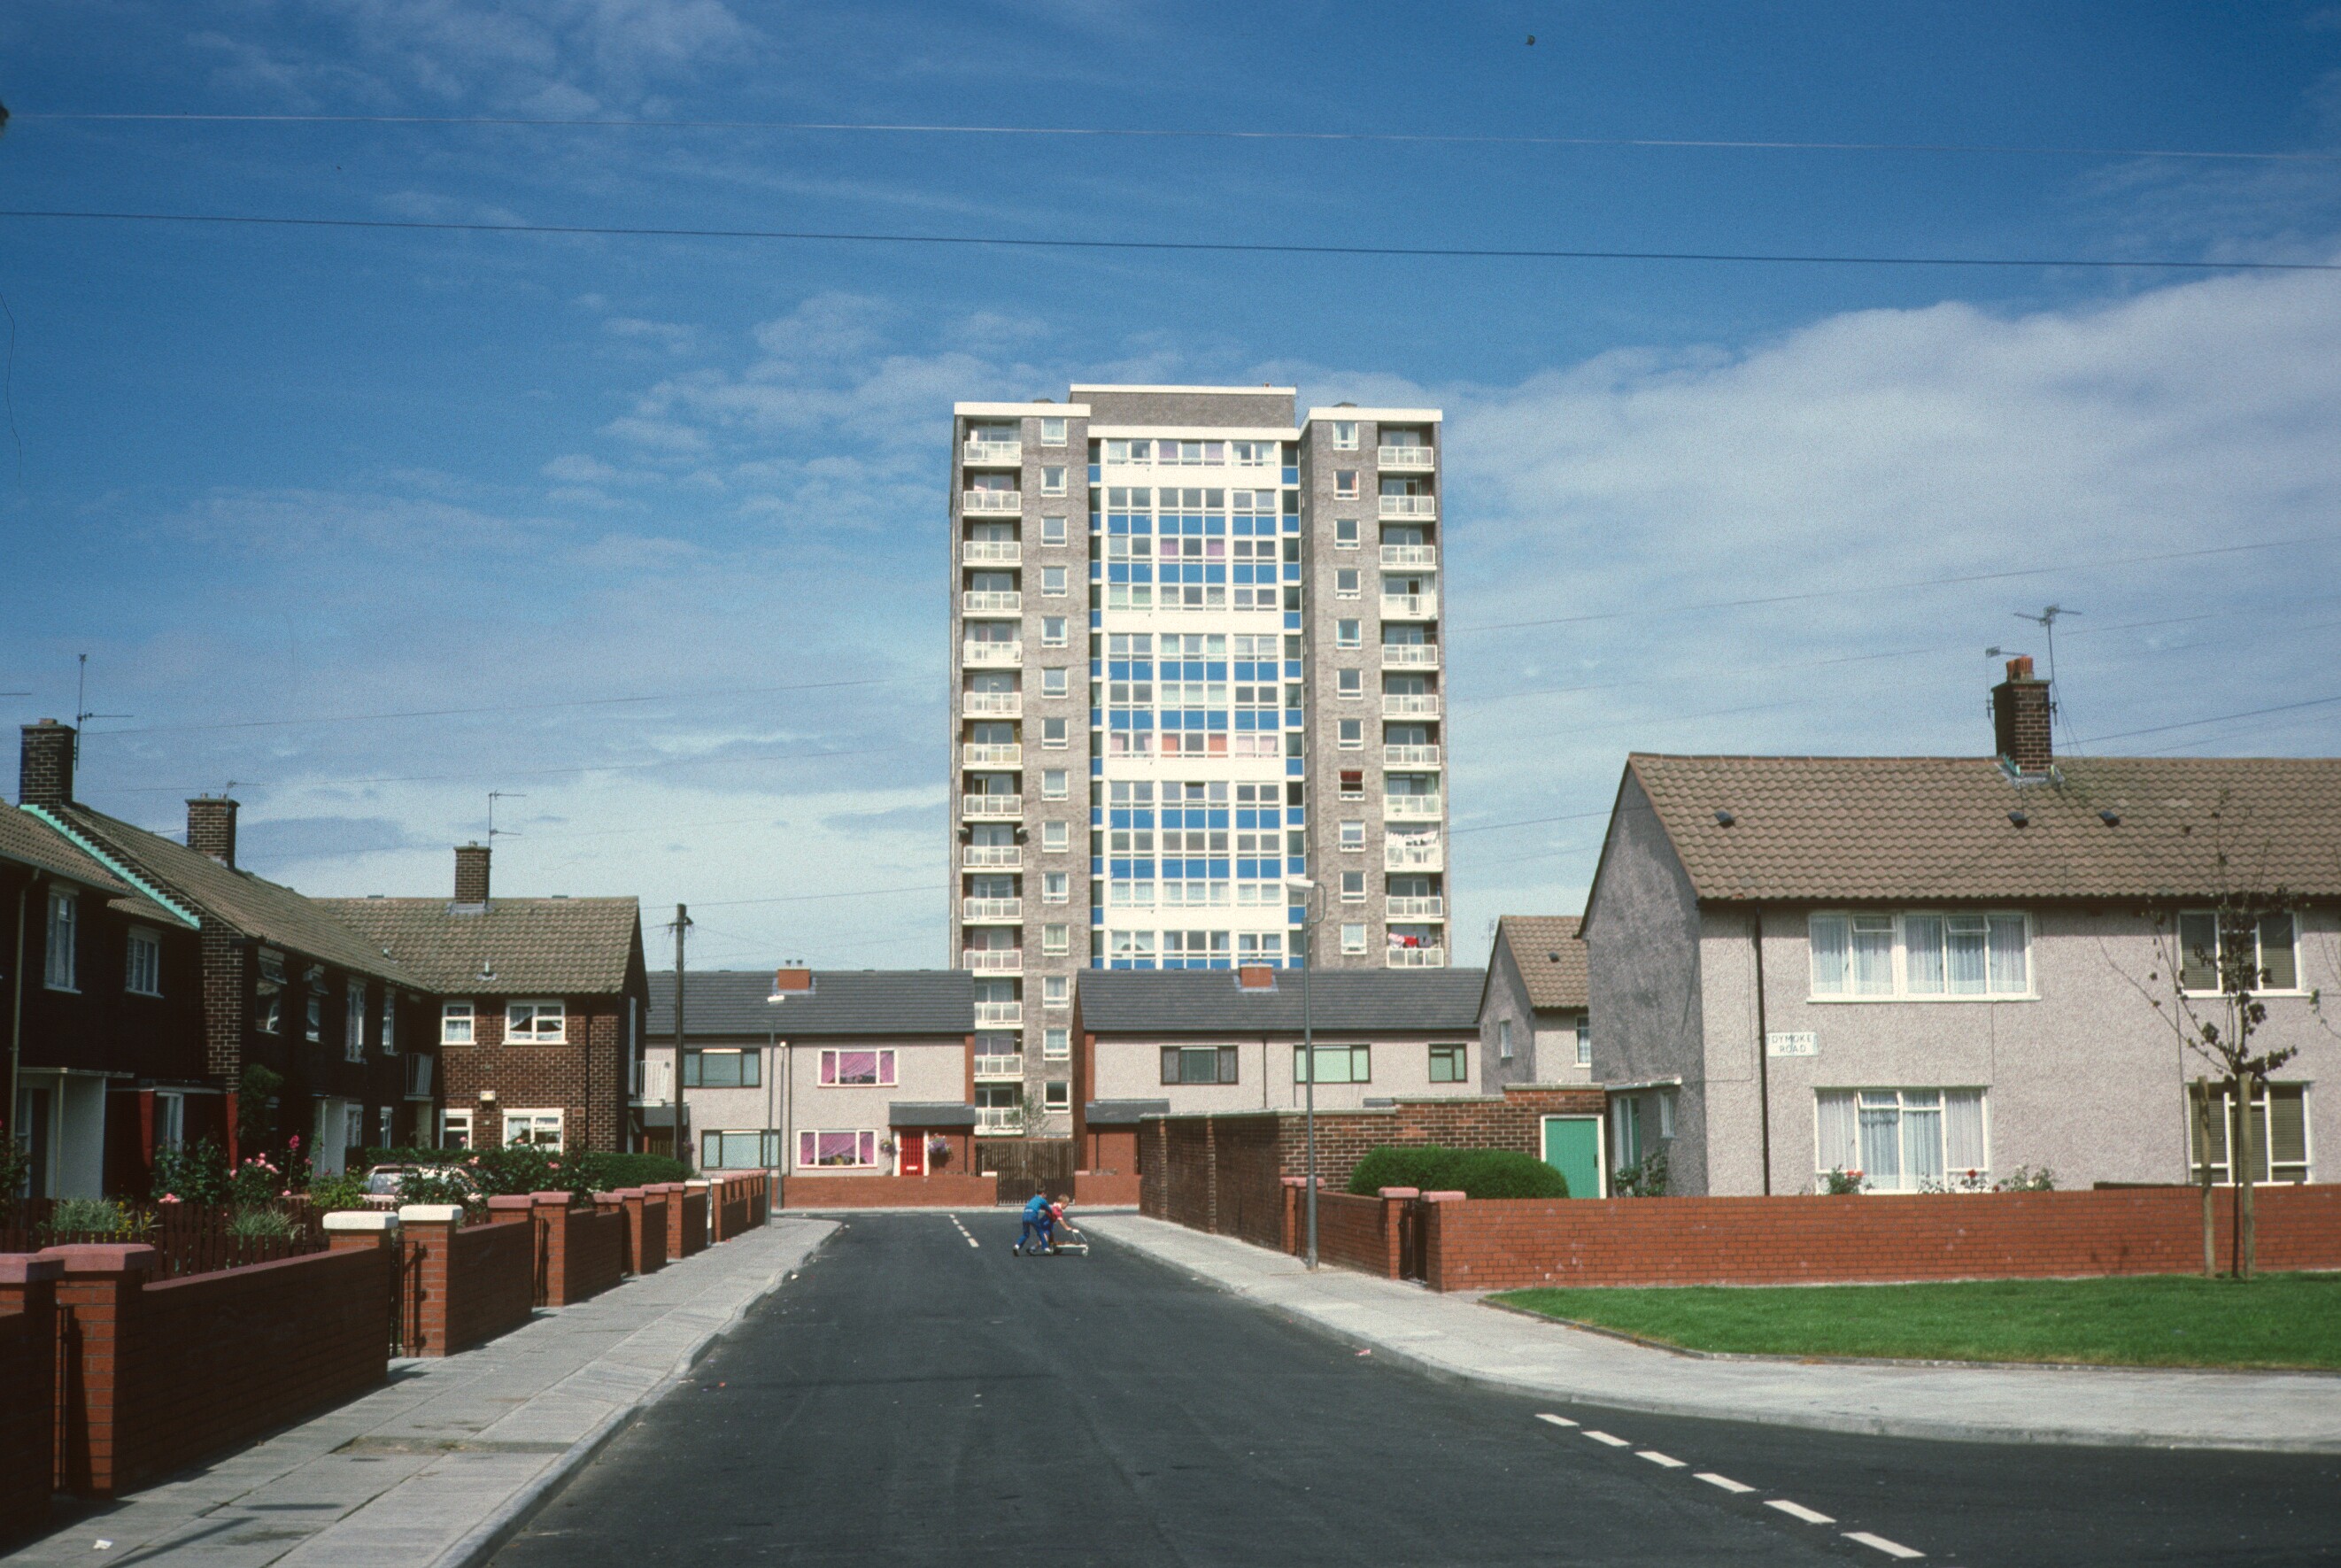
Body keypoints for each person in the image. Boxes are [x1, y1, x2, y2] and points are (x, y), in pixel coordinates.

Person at [1016, 1191, 1052, 1255]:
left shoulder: (1033, 1199)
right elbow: (1049, 1209)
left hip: (1025, 1215)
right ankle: (1046, 1248)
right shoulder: (1042, 1200)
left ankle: (1017, 1246)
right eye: (1046, 1194)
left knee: (1026, 1234)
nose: (1046, 1196)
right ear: (1043, 1194)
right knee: (1040, 1232)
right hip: (1032, 1216)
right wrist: (1053, 1214)